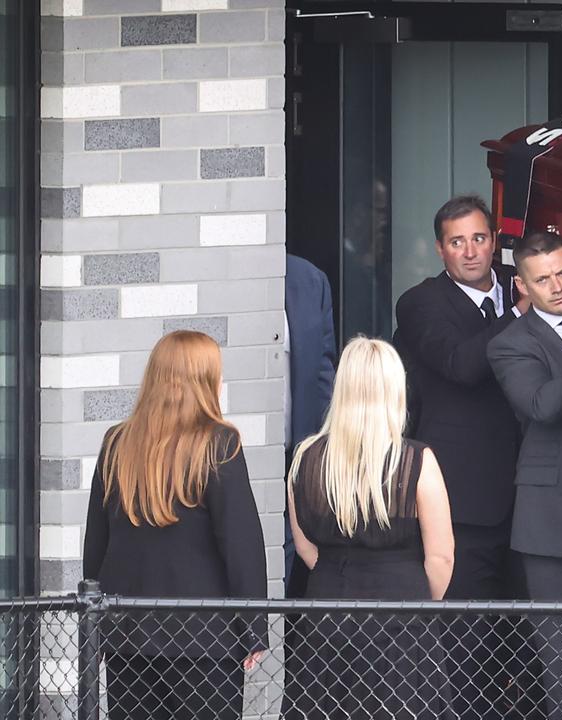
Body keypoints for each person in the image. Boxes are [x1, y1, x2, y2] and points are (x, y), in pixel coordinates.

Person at [391, 194, 532, 719]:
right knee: (462, 649)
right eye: (457, 242)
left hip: (528, 499)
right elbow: (462, 363)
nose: (470, 251)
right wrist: (520, 311)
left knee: (523, 648)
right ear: (440, 250)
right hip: (462, 503)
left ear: (495, 242)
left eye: (479, 238)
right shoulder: (422, 302)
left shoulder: (529, 295)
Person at [83, 330, 267, 720]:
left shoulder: (117, 443)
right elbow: (241, 544)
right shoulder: (220, 444)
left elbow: (96, 543)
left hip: (127, 633)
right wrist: (253, 627)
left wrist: (94, 624)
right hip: (205, 639)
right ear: (205, 382)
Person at [285, 337, 455, 719]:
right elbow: (441, 557)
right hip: (403, 620)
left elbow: (304, 547)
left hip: (326, 617)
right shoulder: (417, 460)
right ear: (395, 389)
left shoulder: (305, 458)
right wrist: (415, 598)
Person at [486, 230, 562, 720]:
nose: (556, 287)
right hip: (552, 527)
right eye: (542, 280)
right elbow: (540, 404)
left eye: (561, 273)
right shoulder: (509, 343)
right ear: (522, 287)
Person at [283, 253, 337, 598]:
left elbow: (322, 372)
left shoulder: (309, 279)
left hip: (300, 452)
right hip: (233, 455)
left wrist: (325, 445)